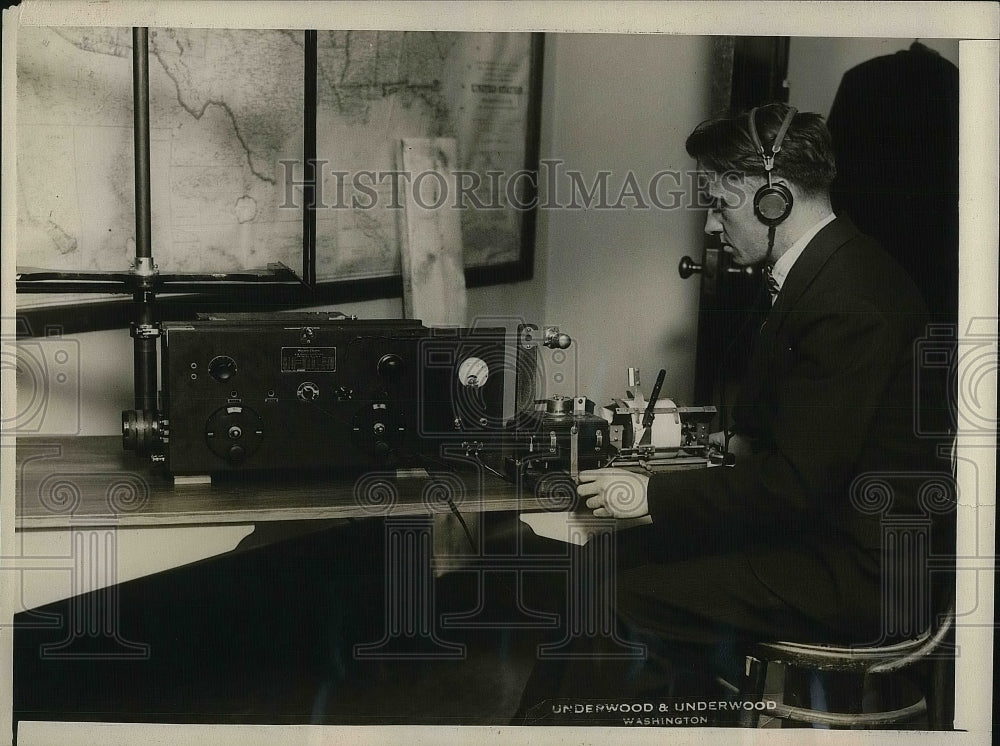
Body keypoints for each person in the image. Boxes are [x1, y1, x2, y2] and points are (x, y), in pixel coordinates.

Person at [514, 103, 952, 724]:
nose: (714, 227)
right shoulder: (826, 272)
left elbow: (796, 485)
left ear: (772, 199)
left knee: (625, 598)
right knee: (605, 561)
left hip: (860, 574)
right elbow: (796, 444)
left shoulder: (851, 300)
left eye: (720, 205)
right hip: (823, 537)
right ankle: (546, 732)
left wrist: (647, 497)